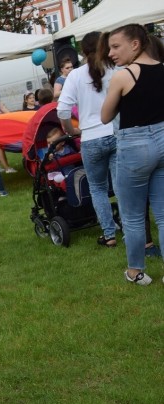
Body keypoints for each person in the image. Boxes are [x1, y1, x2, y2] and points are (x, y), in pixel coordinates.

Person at [101, 24, 164, 286]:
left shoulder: (123, 76)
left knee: (133, 216)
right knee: (162, 214)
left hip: (135, 145)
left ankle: (135, 271)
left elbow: (105, 116)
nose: (111, 53)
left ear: (135, 44)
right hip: (163, 140)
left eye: (116, 47)